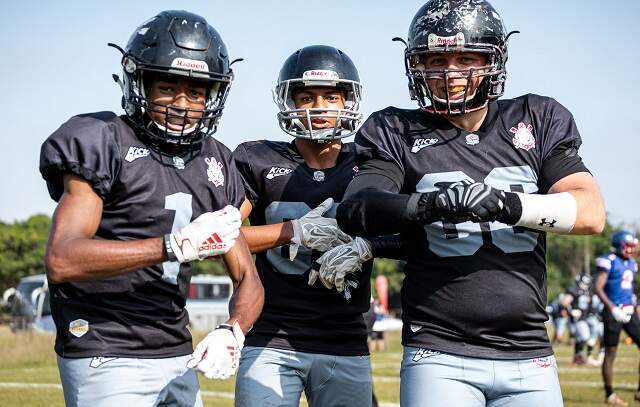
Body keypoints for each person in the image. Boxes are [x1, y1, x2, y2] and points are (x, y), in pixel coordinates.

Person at [327, 0, 605, 405]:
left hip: (529, 351)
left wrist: (509, 205)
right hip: (439, 350)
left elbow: (591, 213)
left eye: (466, 57)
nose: (451, 72)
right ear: (416, 64)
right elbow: (358, 207)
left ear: (494, 60)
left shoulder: (538, 116)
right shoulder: (395, 128)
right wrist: (426, 206)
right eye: (436, 58)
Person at [39, 11, 263, 407]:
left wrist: (234, 329)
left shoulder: (216, 161)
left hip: (177, 350)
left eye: (195, 92)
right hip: (103, 348)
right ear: (138, 82)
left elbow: (249, 278)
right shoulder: (103, 140)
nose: (182, 104)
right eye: (167, 87)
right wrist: (173, 246)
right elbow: (62, 258)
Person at [232, 45, 375, 407]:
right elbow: (222, 235)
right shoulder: (258, 158)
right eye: (307, 97)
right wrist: (291, 231)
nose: (320, 107)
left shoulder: (371, 162)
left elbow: (403, 231)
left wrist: (370, 245)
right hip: (271, 336)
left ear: (348, 102)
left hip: (345, 337)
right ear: (289, 101)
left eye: (331, 96)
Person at [594, 230, 639, 406]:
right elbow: (597, 287)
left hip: (630, 311)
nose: (631, 249)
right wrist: (612, 308)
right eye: (628, 245)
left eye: (632, 246)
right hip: (613, 312)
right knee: (611, 353)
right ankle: (610, 394)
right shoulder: (609, 261)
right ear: (620, 245)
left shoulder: (632, 264)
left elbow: (629, 288)